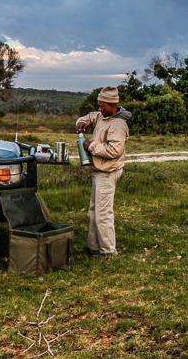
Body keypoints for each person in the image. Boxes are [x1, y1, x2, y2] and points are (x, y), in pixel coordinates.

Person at [76, 86, 132, 259]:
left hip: (107, 173)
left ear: (113, 105)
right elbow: (91, 116)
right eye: (98, 105)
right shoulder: (103, 116)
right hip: (99, 172)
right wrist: (82, 121)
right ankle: (93, 246)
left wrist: (90, 146)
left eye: (102, 106)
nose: (99, 109)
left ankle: (108, 251)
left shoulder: (119, 125)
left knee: (103, 213)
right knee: (94, 211)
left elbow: (114, 151)